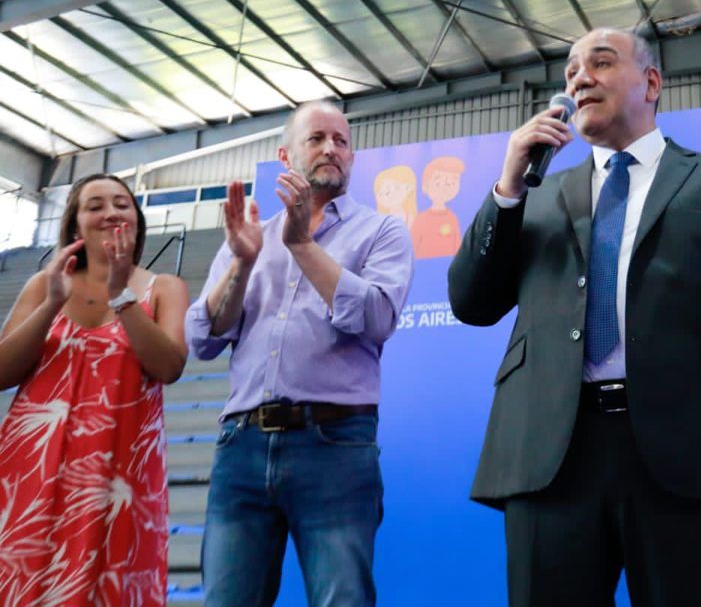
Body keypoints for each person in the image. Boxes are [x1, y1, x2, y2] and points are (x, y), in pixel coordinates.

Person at [448, 27, 701, 606]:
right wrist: (507, 188)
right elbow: (470, 302)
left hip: (693, 456)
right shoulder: (532, 196)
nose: (579, 79)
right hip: (552, 460)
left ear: (651, 81)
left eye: (600, 62)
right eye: (570, 71)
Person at [186, 101, 413, 606]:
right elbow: (203, 338)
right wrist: (242, 264)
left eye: (342, 140)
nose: (332, 148)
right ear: (286, 155)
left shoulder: (382, 232)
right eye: (317, 139)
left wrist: (301, 245)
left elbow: (378, 318)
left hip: (335, 444)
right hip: (241, 446)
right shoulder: (247, 237)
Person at [0, 173, 188, 606]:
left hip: (120, 476)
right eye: (96, 205)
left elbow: (169, 365)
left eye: (121, 204)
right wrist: (50, 303)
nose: (110, 213)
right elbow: (4, 371)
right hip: (34, 469)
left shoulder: (164, 288)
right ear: (74, 225)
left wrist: (121, 295)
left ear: (137, 221)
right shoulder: (42, 286)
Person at [412, 156, 465, 259]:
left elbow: (458, 249)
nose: (445, 187)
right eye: (438, 183)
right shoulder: (420, 219)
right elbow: (412, 250)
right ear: (425, 186)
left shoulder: (452, 218)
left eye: (452, 183)